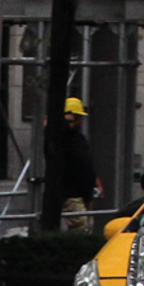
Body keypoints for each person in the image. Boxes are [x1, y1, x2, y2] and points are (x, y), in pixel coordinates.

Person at [52, 96, 104, 230]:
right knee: (81, 227)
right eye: (79, 117)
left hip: (83, 191)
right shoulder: (62, 136)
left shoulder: (78, 138)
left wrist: (96, 182)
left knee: (86, 225)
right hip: (71, 192)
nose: (81, 121)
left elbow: (86, 162)